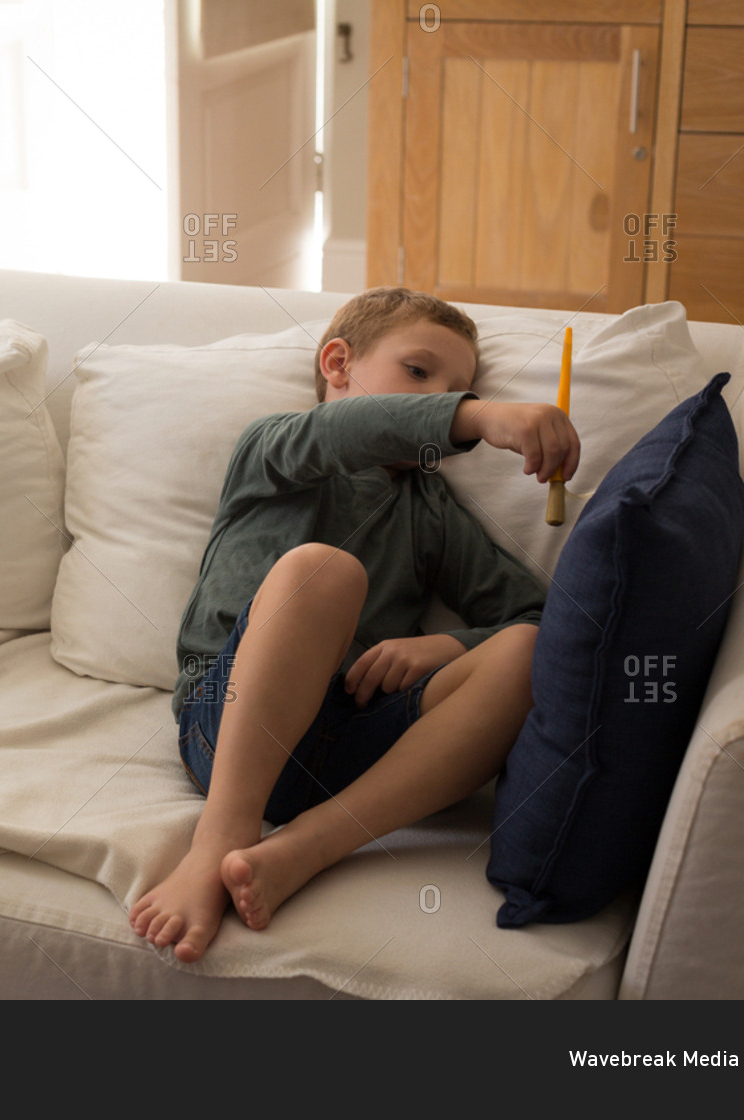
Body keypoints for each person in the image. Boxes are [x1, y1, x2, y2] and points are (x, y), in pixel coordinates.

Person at [129, 287, 580, 963]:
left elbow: (537, 616)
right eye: (420, 374)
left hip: (353, 744)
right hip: (227, 727)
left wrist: (443, 646)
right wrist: (481, 416)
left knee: (525, 649)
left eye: (461, 387)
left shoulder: (430, 509)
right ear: (336, 363)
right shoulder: (278, 448)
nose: (439, 400)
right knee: (323, 571)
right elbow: (355, 430)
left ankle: (306, 847)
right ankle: (219, 839)